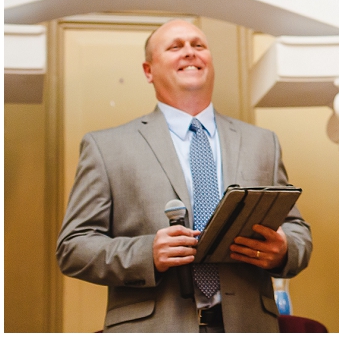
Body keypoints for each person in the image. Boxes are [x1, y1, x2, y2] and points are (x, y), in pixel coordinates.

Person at [57, 20, 312, 332]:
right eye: (175, 47)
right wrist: (145, 253)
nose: (190, 52)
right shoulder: (106, 147)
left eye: (198, 45)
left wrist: (284, 250)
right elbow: (73, 247)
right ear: (148, 70)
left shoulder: (263, 142)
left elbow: (297, 231)